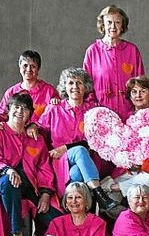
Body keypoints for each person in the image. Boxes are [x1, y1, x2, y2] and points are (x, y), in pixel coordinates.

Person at [38, 66, 124, 218]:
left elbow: (97, 140)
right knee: (79, 150)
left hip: (88, 162)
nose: (75, 87)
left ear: (86, 87)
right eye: (70, 83)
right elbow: (40, 131)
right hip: (60, 162)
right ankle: (101, 197)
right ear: (65, 87)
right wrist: (31, 127)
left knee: (77, 172)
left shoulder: (94, 110)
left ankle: (77, 218)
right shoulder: (54, 109)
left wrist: (65, 147)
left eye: (79, 83)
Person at [0, 92, 56, 236]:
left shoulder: (36, 138)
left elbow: (44, 167)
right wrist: (8, 170)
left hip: (31, 185)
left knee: (55, 219)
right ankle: (16, 232)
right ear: (9, 109)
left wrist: (46, 193)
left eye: (25, 109)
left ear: (29, 115)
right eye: (16, 107)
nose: (20, 111)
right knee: (9, 182)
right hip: (4, 182)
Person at [105, 76, 149, 195]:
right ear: (130, 96)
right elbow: (119, 146)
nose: (138, 95)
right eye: (134, 92)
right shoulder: (124, 119)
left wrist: (144, 162)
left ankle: (114, 187)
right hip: (127, 170)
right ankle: (116, 188)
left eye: (143, 91)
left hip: (148, 169)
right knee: (111, 200)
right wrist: (128, 162)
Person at [82, 5, 145, 118]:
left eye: (117, 22)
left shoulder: (132, 50)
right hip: (102, 114)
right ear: (103, 25)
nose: (113, 26)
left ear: (122, 26)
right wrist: (94, 108)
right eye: (109, 22)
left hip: (129, 113)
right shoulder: (93, 51)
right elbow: (86, 85)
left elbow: (140, 83)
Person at [0, 50, 58, 121]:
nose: (28, 69)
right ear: (20, 67)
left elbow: (57, 117)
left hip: (41, 128)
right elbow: (0, 116)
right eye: (25, 65)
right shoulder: (11, 92)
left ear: (38, 68)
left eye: (33, 66)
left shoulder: (49, 91)